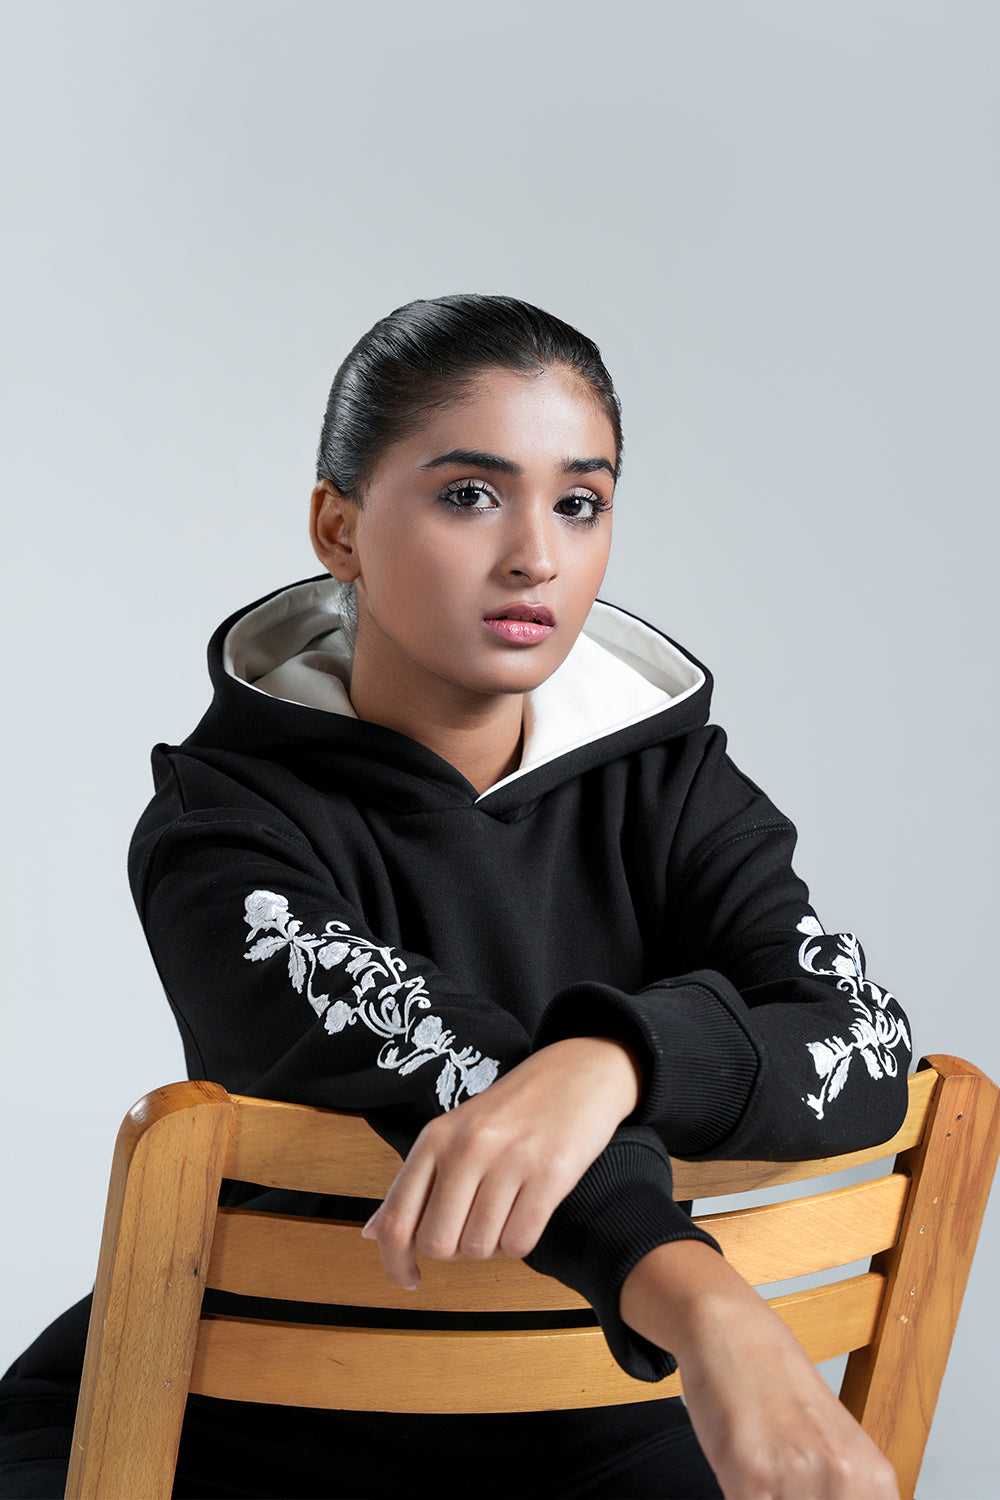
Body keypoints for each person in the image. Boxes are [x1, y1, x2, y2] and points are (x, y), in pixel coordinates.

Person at [0, 294, 909, 1499]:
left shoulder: (675, 785)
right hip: (230, 1439)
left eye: (578, 503)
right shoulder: (220, 831)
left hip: (600, 1425)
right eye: (471, 494)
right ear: (338, 527)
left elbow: (859, 1040)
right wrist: (710, 1311)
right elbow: (431, 1063)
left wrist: (613, 1059)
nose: (535, 555)